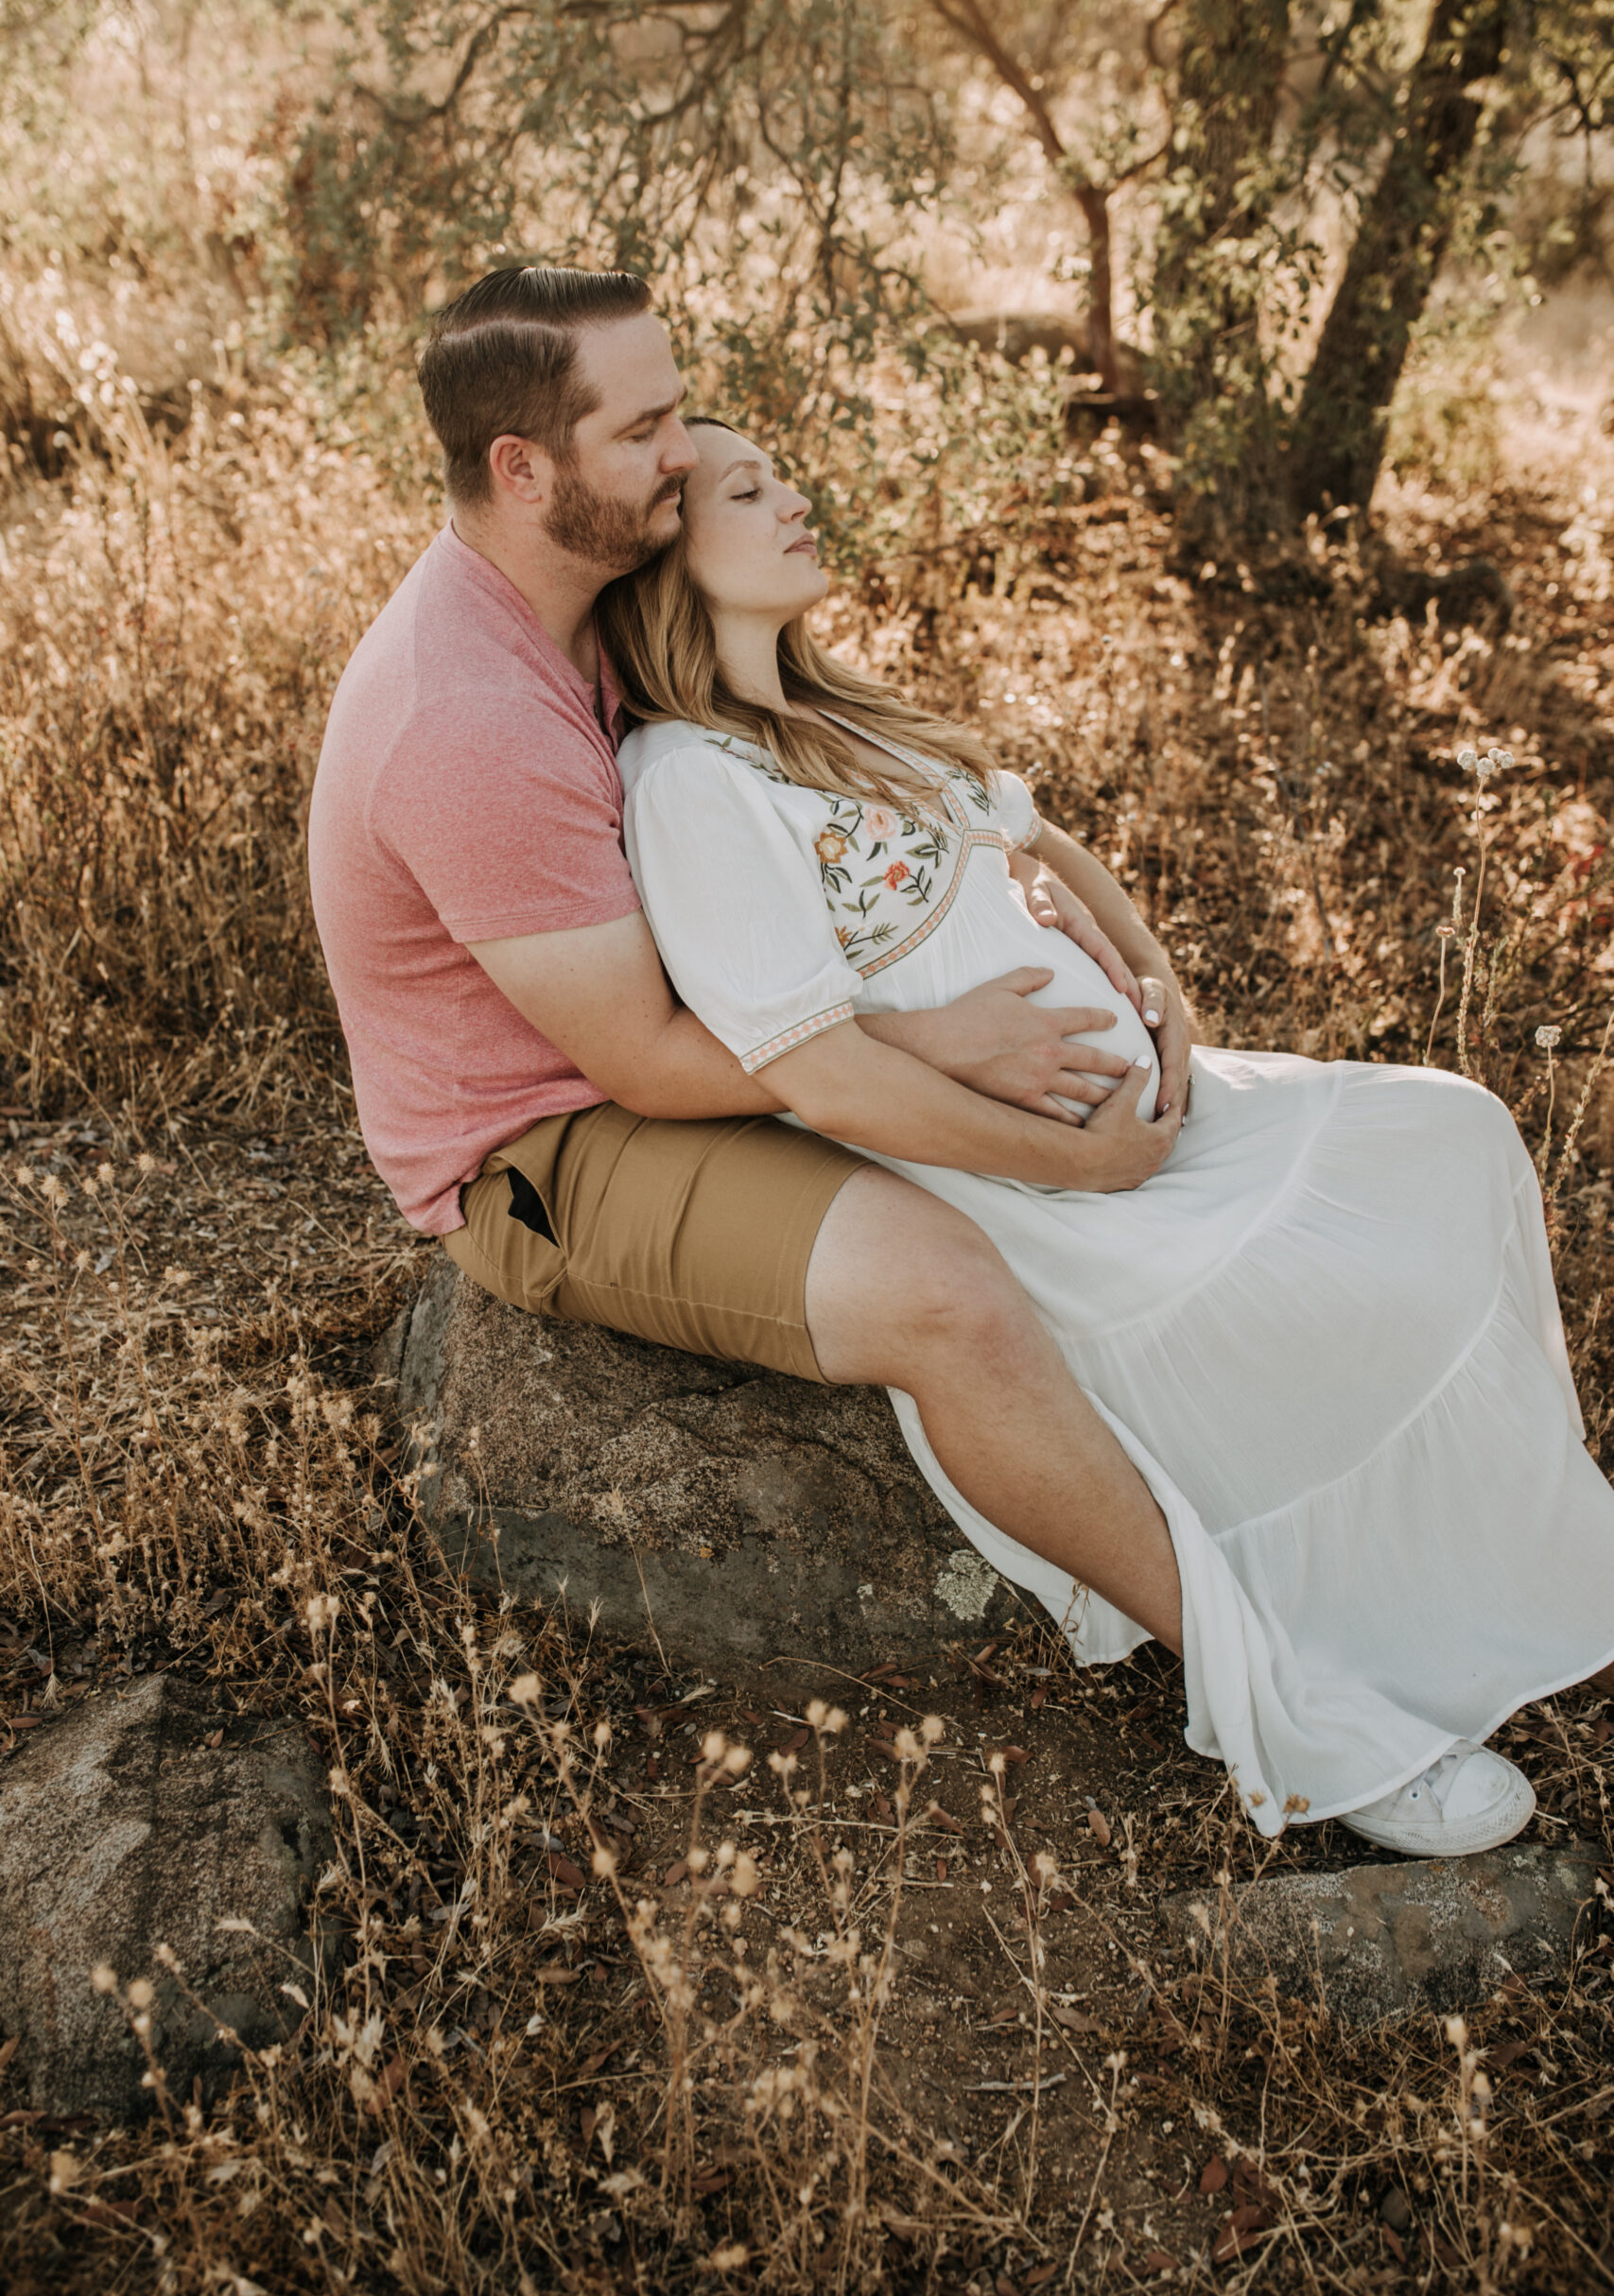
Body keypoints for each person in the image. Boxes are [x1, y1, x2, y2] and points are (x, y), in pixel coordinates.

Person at [596, 413, 1614, 1857]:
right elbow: (818, 1075)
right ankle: (1321, 1707)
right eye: (748, 491)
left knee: (1452, 1134)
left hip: (1157, 1121)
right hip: (1044, 1193)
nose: (799, 498)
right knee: (1277, 1319)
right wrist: (1080, 1159)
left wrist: (1166, 997)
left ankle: (1475, 1567)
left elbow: (1045, 849)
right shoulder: (690, 782)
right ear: (665, 555)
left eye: (789, 474)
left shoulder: (842, 716)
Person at [306, 265, 1190, 1761]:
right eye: (646, 425)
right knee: (950, 1289)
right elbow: (641, 1054)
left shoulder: (582, 593)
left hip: (697, 1036)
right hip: (546, 1147)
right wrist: (930, 1043)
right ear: (524, 469)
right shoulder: (465, 720)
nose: (681, 452)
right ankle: (1248, 1658)